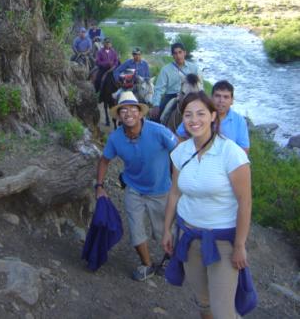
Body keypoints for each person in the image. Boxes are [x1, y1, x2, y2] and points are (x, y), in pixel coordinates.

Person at [162, 91, 251, 319]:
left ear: (213, 116)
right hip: (189, 237)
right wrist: (167, 230)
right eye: (188, 115)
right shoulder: (181, 152)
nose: (194, 120)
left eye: (201, 113)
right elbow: (174, 192)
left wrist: (240, 245)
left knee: (223, 311)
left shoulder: (230, 152)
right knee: (203, 302)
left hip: (222, 242)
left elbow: (245, 201)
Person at [96, 91, 177, 282]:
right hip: (134, 189)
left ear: (140, 113)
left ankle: (170, 260)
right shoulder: (116, 138)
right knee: (135, 229)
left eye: (133, 109)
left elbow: (180, 150)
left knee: (163, 231)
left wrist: (180, 179)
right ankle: (147, 265)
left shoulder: (159, 131)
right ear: (119, 116)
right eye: (123, 110)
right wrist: (99, 185)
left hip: (161, 190)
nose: (128, 113)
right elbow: (104, 160)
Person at [176, 80, 250, 153]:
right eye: (218, 96)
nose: (221, 100)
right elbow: (180, 137)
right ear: (211, 97)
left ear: (232, 100)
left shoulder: (239, 121)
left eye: (226, 97)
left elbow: (244, 149)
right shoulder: (199, 115)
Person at [150, 42, 202, 121]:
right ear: (172, 56)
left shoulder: (194, 68)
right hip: (171, 96)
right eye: (175, 53)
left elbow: (200, 84)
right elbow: (159, 89)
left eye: (180, 52)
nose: (178, 56)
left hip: (190, 95)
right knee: (156, 117)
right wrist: (156, 105)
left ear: (184, 53)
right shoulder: (166, 70)